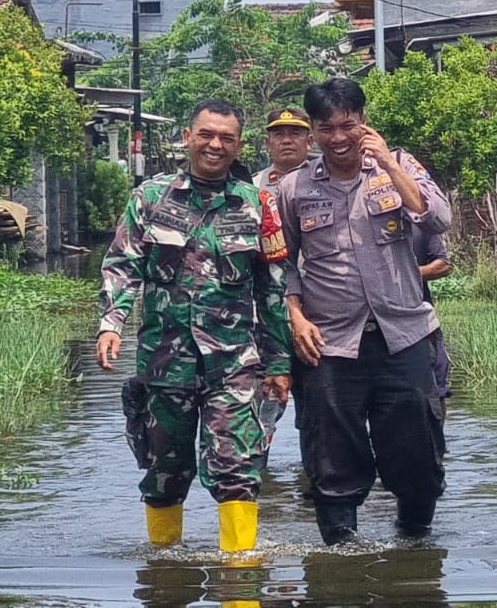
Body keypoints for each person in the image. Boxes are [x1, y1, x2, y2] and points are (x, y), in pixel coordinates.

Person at [96, 99, 293, 551]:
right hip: (166, 362)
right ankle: (165, 574)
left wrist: (280, 363)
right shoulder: (149, 197)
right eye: (206, 134)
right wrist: (112, 323)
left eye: (226, 138)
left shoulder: (257, 204)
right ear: (187, 136)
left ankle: (241, 586)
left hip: (234, 362)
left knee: (237, 468)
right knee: (165, 469)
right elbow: (122, 265)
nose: (215, 145)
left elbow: (274, 289)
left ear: (239, 145)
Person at [274, 78, 452, 544]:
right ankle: (340, 550)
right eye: (326, 128)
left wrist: (389, 164)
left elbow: (438, 219)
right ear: (312, 131)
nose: (338, 138)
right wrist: (295, 316)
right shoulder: (294, 188)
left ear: (364, 122)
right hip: (330, 342)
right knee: (332, 453)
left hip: (404, 334)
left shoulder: (401, 167)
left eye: (347, 126)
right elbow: (281, 264)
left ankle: (414, 541)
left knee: (416, 445)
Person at [411, 226, 454, 415]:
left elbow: (443, 264)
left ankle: (438, 443)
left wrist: (406, 273)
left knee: (436, 388)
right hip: (368, 325)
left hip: (421, 319)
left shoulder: (419, 220)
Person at [254, 107, 312, 193]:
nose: (286, 141)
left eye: (295, 134)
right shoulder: (255, 184)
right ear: (268, 143)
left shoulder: (326, 181)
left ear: (309, 142)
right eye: (279, 135)